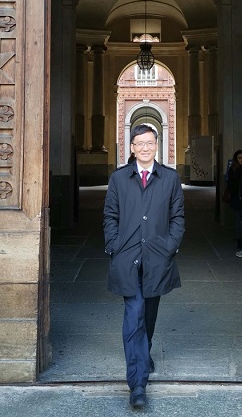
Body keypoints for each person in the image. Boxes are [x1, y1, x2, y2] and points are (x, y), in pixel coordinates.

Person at [103, 124, 185, 408]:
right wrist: (113, 245)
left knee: (148, 314)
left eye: (150, 143)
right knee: (134, 315)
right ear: (132, 147)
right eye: (140, 143)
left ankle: (144, 351)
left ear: (156, 145)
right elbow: (110, 215)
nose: (145, 148)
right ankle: (137, 384)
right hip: (127, 257)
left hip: (157, 258)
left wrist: (169, 246)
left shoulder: (170, 178)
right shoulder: (119, 178)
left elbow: (178, 216)